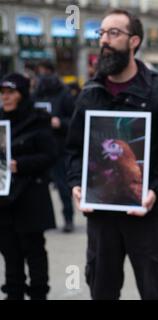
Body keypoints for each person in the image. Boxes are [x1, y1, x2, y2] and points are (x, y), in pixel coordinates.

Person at [66, 9, 158, 300]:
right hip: (101, 217)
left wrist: (155, 189)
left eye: (113, 33)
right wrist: (76, 185)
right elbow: (73, 151)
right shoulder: (90, 93)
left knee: (157, 290)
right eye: (101, 33)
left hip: (147, 216)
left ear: (134, 41)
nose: (104, 40)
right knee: (102, 290)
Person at [0, 73, 57, 300]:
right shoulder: (0, 121)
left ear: (22, 94)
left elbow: (50, 155)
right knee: (8, 250)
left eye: (11, 92)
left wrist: (19, 165)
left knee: (33, 250)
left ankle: (38, 293)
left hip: (31, 196)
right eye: (2, 93)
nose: (6, 97)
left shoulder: (38, 119)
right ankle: (13, 292)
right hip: (4, 199)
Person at [34, 60, 76, 233]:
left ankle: (68, 218)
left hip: (59, 147)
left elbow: (74, 120)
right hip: (40, 147)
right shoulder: (37, 93)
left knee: (63, 186)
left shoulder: (64, 94)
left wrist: (60, 123)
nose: (42, 75)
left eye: (44, 71)